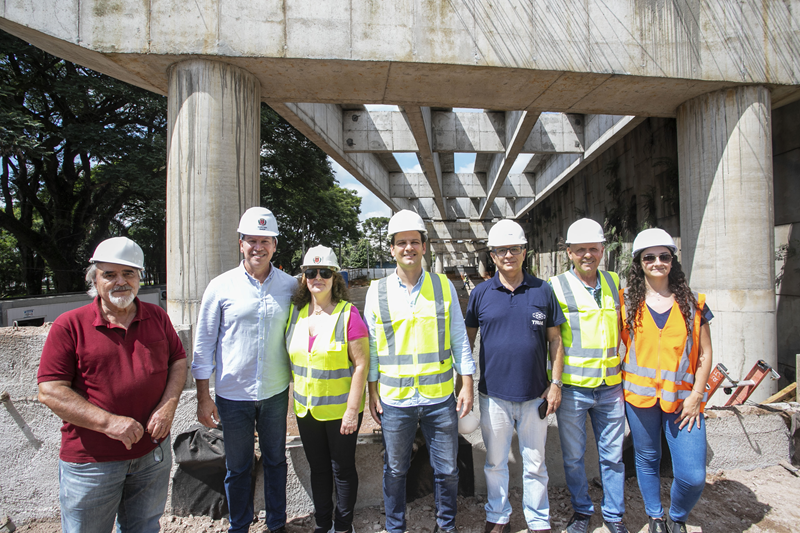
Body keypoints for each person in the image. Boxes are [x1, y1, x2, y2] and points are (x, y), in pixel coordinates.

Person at [38, 237, 187, 533]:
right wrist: (109, 423)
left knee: (144, 528)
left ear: (139, 278)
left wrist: (169, 406)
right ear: (94, 279)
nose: (121, 282)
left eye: (128, 273)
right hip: (93, 462)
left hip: (151, 454)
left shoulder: (156, 316)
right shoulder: (70, 325)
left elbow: (178, 361)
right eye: (110, 274)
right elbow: (50, 391)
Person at [365, 209, 476, 533]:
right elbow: (372, 347)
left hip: (439, 398)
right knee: (395, 469)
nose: (408, 248)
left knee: (447, 470)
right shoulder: (377, 291)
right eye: (401, 242)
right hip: (395, 400)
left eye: (414, 242)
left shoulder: (443, 286)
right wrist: (373, 392)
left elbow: (459, 338)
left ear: (424, 246)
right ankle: (395, 527)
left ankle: (446, 526)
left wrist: (466, 383)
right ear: (391, 249)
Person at [192, 207, 297, 533]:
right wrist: (203, 397)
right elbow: (203, 345)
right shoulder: (220, 287)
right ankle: (239, 525)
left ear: (274, 245)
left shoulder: (291, 287)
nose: (258, 248)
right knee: (237, 467)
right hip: (232, 396)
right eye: (252, 240)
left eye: (265, 241)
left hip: (275, 392)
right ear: (241, 244)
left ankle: (276, 524)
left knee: (276, 460)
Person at [465, 219, 566, 533]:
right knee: (495, 463)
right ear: (492, 256)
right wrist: (463, 383)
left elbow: (555, 340)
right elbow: (467, 341)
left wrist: (556, 384)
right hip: (493, 395)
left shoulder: (542, 290)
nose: (508, 255)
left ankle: (538, 521)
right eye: (501, 250)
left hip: (535, 395)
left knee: (535, 463)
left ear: (524, 251)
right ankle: (498, 517)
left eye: (514, 248)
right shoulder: (480, 294)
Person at [620, 229, 713, 533]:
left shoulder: (693, 304)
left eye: (664, 256)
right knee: (647, 458)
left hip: (684, 401)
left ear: (673, 261)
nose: (657, 262)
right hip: (639, 398)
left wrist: (697, 394)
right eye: (649, 257)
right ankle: (656, 517)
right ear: (639, 263)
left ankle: (677, 516)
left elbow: (705, 353)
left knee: (692, 476)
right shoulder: (626, 303)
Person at [548, 219, 628, 533]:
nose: (587, 255)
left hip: (610, 387)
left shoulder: (613, 281)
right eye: (580, 249)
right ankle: (582, 511)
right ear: (569, 252)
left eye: (593, 249)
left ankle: (614, 516)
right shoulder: (555, 286)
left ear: (602, 250)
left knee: (613, 457)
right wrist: (554, 384)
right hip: (573, 389)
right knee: (573, 457)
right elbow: (551, 339)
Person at [285, 245, 369, 533]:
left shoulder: (348, 314)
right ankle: (323, 524)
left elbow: (361, 365)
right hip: (306, 410)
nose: (317, 277)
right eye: (311, 272)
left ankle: (343, 526)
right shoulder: (295, 314)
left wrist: (352, 411)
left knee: (342, 470)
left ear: (336, 277)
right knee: (318, 469)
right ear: (304, 277)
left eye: (324, 272)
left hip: (341, 412)